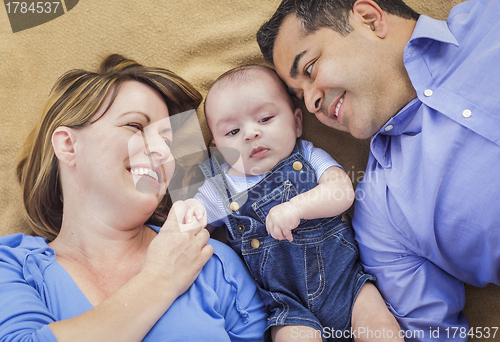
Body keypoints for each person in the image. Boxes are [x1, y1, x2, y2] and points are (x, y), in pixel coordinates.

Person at [256, 0, 500, 340]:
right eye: (300, 97)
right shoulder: (380, 213)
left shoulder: (490, 17)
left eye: (310, 68)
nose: (310, 104)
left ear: (370, 19)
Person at [0, 54, 267, 342]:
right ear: (68, 145)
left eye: (167, 142)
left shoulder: (212, 262)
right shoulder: (13, 265)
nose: (162, 152)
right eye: (135, 126)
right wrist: (160, 279)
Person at [184, 64, 403, 342]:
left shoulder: (309, 155)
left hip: (347, 285)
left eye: (264, 119)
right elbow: (186, 223)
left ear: (297, 122)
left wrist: (296, 208)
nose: (250, 134)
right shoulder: (219, 191)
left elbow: (342, 192)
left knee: (380, 329)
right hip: (287, 308)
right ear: (217, 148)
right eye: (233, 131)